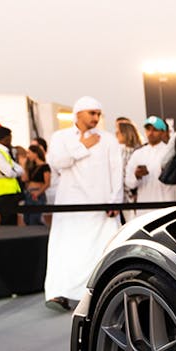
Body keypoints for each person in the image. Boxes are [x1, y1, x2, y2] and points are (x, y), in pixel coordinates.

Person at [44, 95, 123, 311]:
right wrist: (82, 146)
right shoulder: (60, 137)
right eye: (92, 113)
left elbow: (117, 171)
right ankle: (58, 294)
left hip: (99, 206)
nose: (96, 118)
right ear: (78, 114)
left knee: (100, 249)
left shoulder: (108, 139)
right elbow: (57, 163)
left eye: (98, 114)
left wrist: (116, 200)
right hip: (70, 205)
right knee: (65, 249)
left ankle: (98, 295)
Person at [124, 116, 176, 211]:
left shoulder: (169, 153)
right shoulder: (138, 154)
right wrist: (137, 175)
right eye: (148, 129)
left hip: (166, 206)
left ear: (163, 132)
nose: (151, 133)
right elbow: (129, 183)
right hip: (144, 207)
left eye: (155, 130)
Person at [115, 120, 143, 204]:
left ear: (125, 133)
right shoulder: (121, 151)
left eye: (118, 132)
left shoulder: (138, 152)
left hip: (133, 197)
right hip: (123, 197)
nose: (116, 134)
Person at [23, 143, 50, 226]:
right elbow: (26, 179)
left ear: (36, 153)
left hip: (38, 193)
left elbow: (47, 183)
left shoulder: (45, 166)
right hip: (29, 193)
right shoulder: (31, 166)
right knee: (27, 218)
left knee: (34, 219)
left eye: (29, 153)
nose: (28, 155)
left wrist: (38, 193)